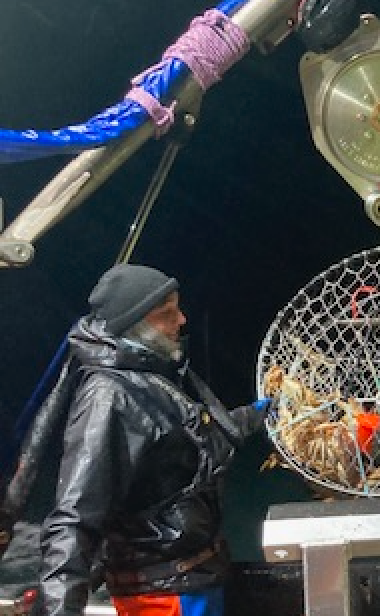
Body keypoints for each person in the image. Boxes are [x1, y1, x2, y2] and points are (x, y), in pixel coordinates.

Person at [37, 264, 269, 616]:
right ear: (135, 326)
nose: (182, 320)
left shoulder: (151, 372)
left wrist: (256, 414)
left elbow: (192, 447)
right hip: (163, 594)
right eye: (167, 314)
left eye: (177, 307)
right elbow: (75, 516)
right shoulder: (108, 397)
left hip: (199, 577)